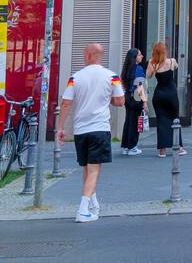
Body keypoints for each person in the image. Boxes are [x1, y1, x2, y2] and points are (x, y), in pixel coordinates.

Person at [58, 42, 125, 223]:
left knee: (87, 169)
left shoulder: (75, 77)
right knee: (94, 170)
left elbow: (66, 103)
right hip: (100, 128)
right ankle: (82, 209)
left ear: (87, 56)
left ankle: (93, 204)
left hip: (81, 130)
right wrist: (107, 100)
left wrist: (61, 127)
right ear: (99, 56)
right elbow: (120, 101)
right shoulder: (112, 76)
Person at [146, 41, 185, 158]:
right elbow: (176, 67)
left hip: (159, 94)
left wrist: (153, 62)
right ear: (165, 51)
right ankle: (179, 147)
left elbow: (148, 76)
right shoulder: (172, 62)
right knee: (175, 120)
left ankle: (162, 150)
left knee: (161, 121)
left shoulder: (152, 63)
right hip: (171, 93)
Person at [119, 47, 146, 155]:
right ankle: (132, 146)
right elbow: (140, 86)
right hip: (136, 97)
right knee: (135, 122)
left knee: (128, 121)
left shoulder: (126, 69)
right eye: (140, 55)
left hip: (128, 97)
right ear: (135, 57)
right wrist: (144, 101)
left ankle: (125, 146)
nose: (142, 56)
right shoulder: (138, 68)